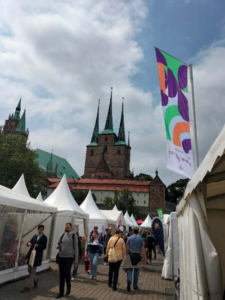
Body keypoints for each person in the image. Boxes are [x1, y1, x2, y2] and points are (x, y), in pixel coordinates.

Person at [21, 225, 47, 293]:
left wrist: (38, 246)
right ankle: (36, 279)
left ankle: (28, 286)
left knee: (33, 272)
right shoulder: (35, 236)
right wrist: (28, 243)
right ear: (38, 229)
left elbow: (44, 247)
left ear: (43, 230)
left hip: (37, 256)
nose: (41, 230)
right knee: (29, 270)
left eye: (42, 229)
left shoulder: (44, 237)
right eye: (40, 229)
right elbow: (29, 242)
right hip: (31, 255)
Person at [55, 223, 78, 299]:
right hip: (61, 257)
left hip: (69, 257)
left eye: (67, 227)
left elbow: (76, 248)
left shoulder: (74, 236)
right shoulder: (62, 235)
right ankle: (61, 292)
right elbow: (56, 245)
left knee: (67, 272)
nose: (66, 228)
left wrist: (76, 258)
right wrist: (58, 246)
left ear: (70, 228)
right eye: (65, 227)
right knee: (61, 275)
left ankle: (68, 285)